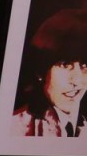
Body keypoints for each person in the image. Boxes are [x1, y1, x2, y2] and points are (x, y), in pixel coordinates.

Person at [13, 8, 87, 137]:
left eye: (84, 66)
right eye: (65, 65)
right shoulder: (16, 128)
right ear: (40, 71)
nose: (77, 80)